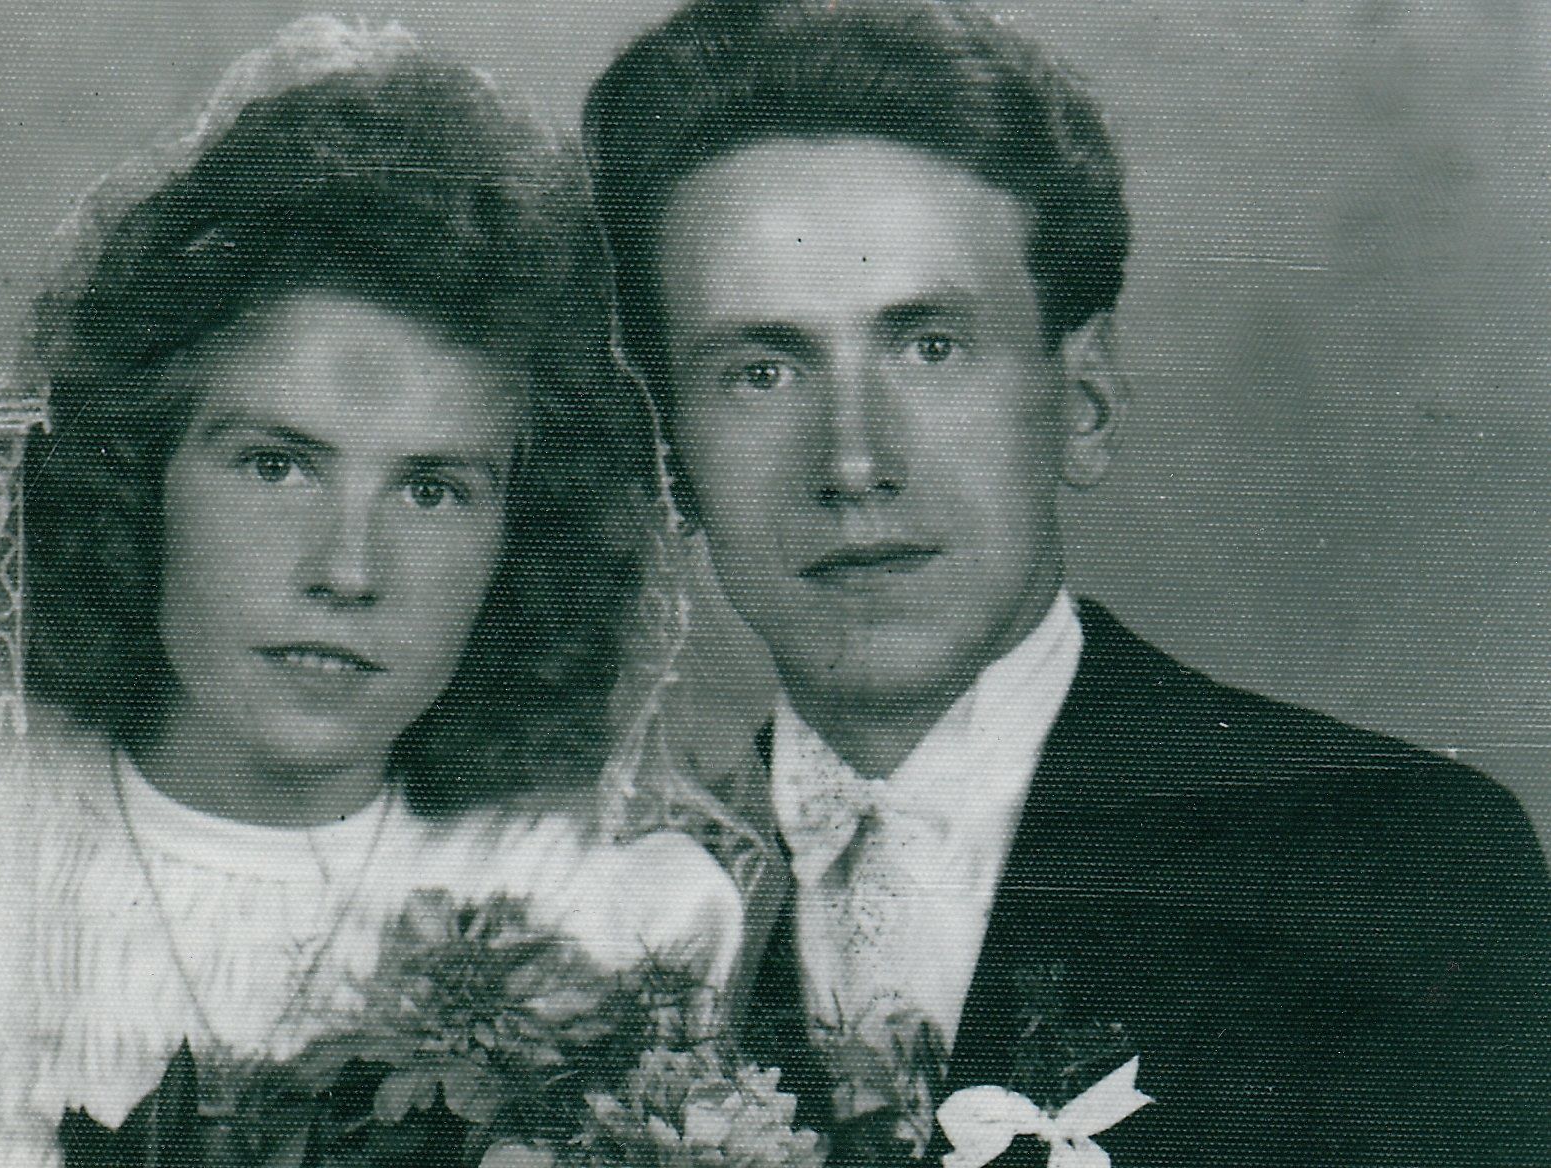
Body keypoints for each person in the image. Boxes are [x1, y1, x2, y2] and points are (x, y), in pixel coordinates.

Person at [582, 1, 1551, 1164]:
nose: (852, 463)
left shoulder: (1391, 872)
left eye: (930, 348)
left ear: (1083, 401)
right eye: (760, 372)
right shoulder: (598, 923)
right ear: (669, 456)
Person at [0, 17, 744, 1167]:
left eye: (432, 490)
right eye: (275, 465)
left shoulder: (619, 930)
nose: (347, 569)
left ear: (520, 542)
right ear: (137, 479)